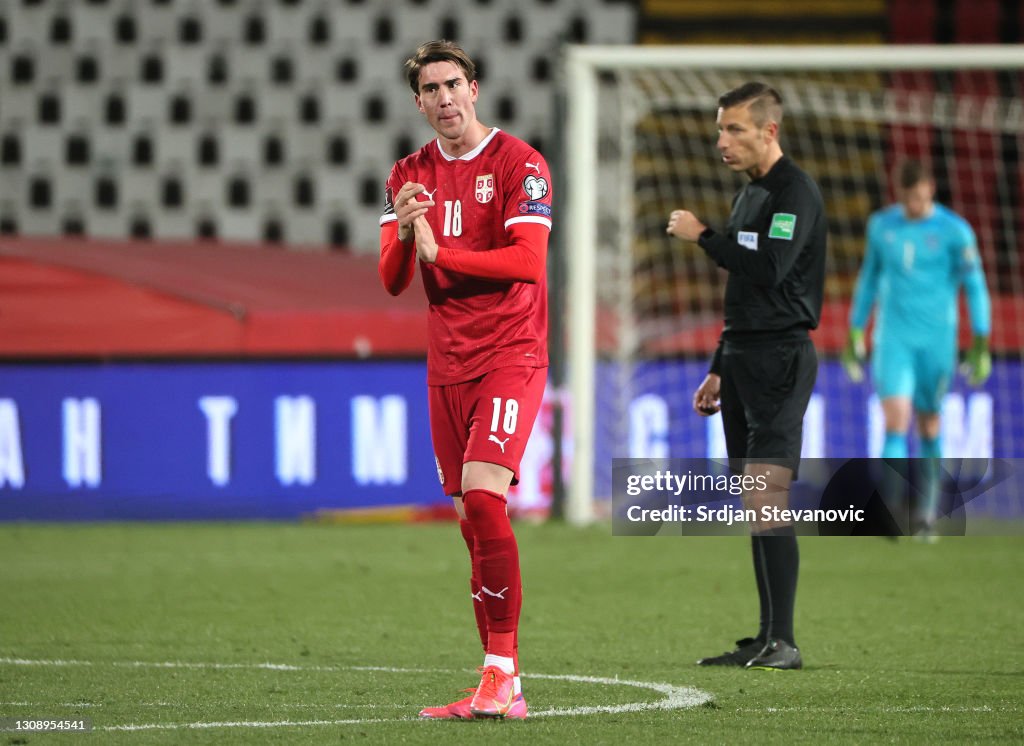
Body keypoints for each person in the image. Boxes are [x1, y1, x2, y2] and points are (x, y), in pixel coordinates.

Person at [378, 40, 552, 719]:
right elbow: (394, 282)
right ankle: (502, 683)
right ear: (418, 102)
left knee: (485, 500)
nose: (445, 98)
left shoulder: (520, 164)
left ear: (475, 89)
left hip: (510, 352)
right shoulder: (408, 173)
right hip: (445, 362)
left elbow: (527, 262)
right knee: (469, 525)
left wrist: (439, 249)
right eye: (431, 89)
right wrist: (405, 228)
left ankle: (501, 672)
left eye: (455, 84)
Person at [666, 82, 827, 670]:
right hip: (742, 359)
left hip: (783, 357)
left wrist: (703, 236)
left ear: (769, 131)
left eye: (733, 129)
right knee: (753, 503)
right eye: (719, 129)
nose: (721, 141)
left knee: (768, 496)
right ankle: (765, 638)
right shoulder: (750, 196)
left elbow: (771, 268)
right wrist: (718, 366)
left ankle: (785, 640)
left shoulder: (794, 193)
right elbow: (743, 293)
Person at [842, 159, 991, 538]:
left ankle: (926, 514)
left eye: (919, 195)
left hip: (938, 342)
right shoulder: (882, 227)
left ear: (931, 188)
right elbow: (869, 279)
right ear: (900, 194)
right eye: (907, 197)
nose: (913, 203)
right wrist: (855, 331)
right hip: (893, 339)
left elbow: (974, 287)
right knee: (895, 419)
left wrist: (982, 340)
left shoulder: (956, 231)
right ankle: (891, 512)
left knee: (929, 422)